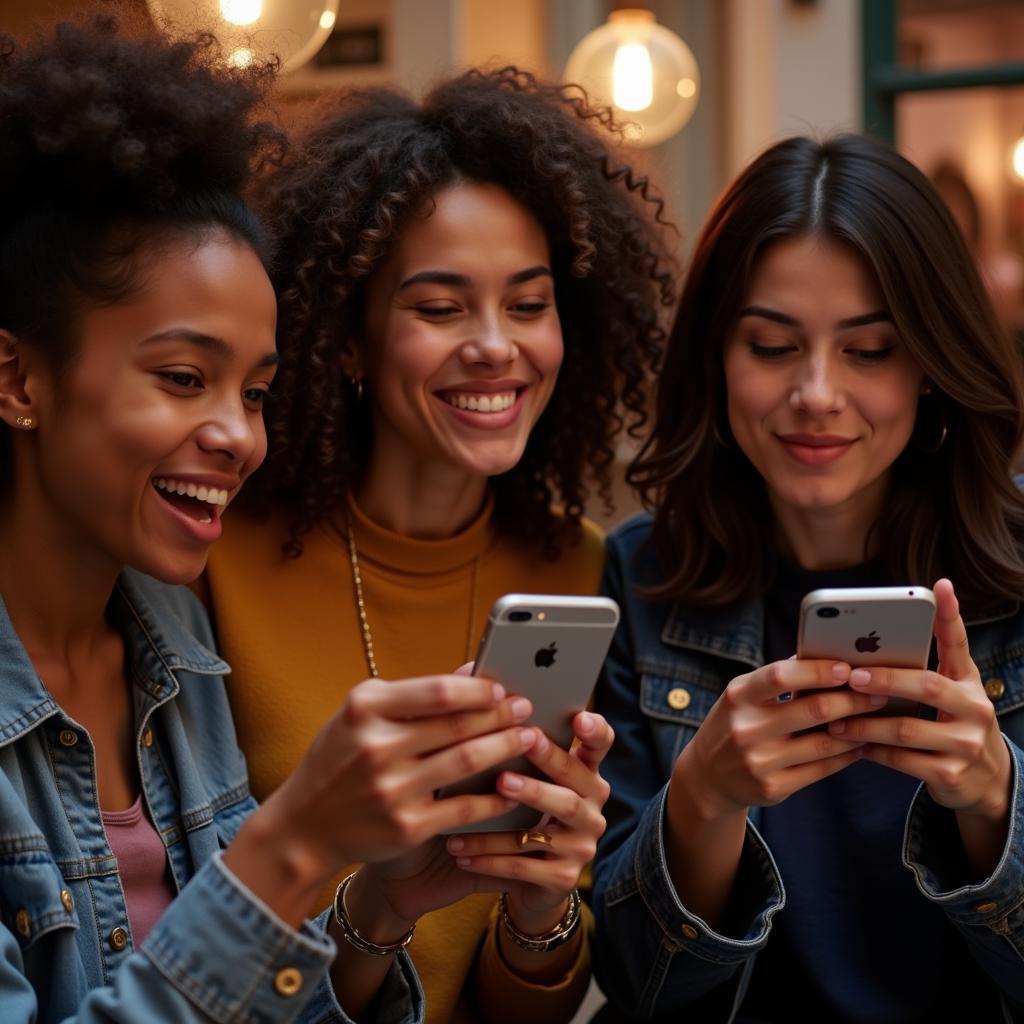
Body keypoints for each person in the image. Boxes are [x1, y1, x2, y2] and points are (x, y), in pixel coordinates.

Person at [0, 14, 553, 1022]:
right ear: (18, 377)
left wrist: (382, 903)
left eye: (254, 392)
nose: (236, 437)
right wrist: (294, 840)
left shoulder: (174, 642)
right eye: (182, 377)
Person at [203, 68, 674, 1023]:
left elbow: (523, 1008)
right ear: (344, 339)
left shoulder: (583, 574)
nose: (496, 346)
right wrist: (375, 916)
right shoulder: (215, 560)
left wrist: (543, 907)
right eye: (440, 306)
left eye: (529, 304)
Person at [590, 134, 1024, 1022]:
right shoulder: (644, 575)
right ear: (717, 357)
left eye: (868, 351)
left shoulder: (1016, 573)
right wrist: (703, 798)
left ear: (932, 365)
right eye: (772, 345)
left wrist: (992, 798)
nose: (817, 393)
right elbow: (640, 983)